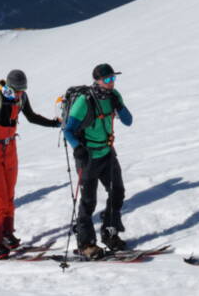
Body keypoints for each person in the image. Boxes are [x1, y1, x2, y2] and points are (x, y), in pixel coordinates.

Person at [0, 69, 60, 257]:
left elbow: (32, 117)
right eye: (16, 90)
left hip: (10, 149)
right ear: (8, 87)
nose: (20, 94)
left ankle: (5, 232)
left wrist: (54, 123)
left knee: (9, 195)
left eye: (22, 90)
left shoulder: (22, 98)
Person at [65, 64, 133, 259]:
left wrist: (118, 105)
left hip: (107, 153)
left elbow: (128, 121)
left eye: (113, 79)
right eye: (108, 79)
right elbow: (68, 129)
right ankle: (86, 244)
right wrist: (77, 148)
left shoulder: (114, 96)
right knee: (88, 202)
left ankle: (109, 232)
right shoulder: (84, 101)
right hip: (88, 157)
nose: (112, 83)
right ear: (97, 80)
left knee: (117, 192)